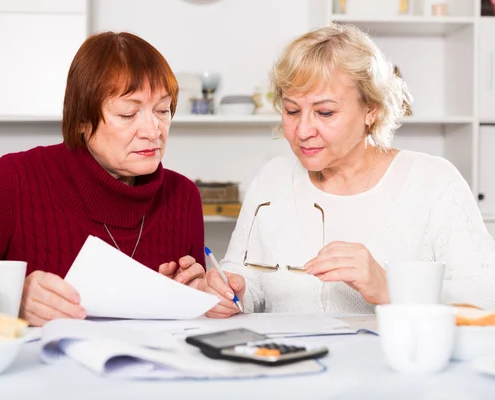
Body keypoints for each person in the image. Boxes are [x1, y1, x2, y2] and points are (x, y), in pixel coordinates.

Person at [198, 24, 495, 317]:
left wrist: (393, 288)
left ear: (371, 109)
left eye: (325, 112)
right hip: (288, 362)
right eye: (291, 110)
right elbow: (244, 279)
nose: (302, 130)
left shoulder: (433, 182)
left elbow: (486, 296)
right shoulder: (272, 179)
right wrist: (231, 292)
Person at [0, 32, 206, 326]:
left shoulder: (183, 196)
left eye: (162, 110)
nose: (153, 131)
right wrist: (9, 299)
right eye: (128, 113)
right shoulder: (13, 180)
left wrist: (201, 296)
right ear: (81, 120)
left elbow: (191, 321)